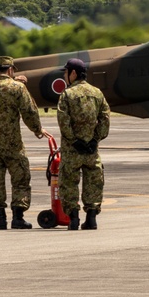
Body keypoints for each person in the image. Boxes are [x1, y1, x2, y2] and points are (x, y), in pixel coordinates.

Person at [0, 55, 51, 230]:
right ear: (11, 70)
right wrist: (37, 130)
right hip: (12, 144)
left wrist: (12, 79)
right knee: (20, 178)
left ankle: (0, 219)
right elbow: (29, 111)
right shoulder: (18, 88)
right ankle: (18, 217)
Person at [57, 58, 111, 230]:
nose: (65, 76)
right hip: (91, 150)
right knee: (93, 181)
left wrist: (73, 140)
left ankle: (73, 219)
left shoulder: (67, 94)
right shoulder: (97, 93)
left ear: (73, 73)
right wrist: (95, 139)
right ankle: (91, 218)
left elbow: (63, 121)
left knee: (68, 182)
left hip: (72, 150)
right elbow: (105, 118)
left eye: (66, 72)